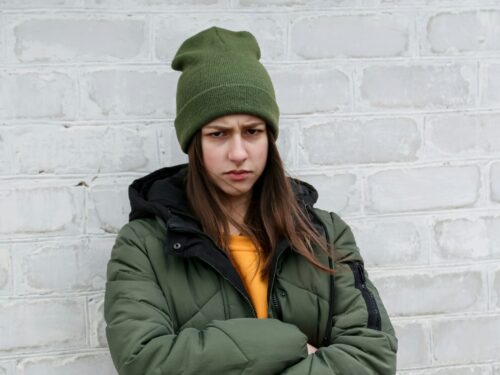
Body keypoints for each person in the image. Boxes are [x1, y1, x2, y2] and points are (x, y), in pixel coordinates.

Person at [104, 26, 398, 374]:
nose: (239, 153)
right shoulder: (144, 246)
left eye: (252, 131)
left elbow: (371, 356)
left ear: (269, 138)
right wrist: (289, 344)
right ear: (194, 144)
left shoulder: (325, 234)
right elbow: (145, 362)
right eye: (218, 134)